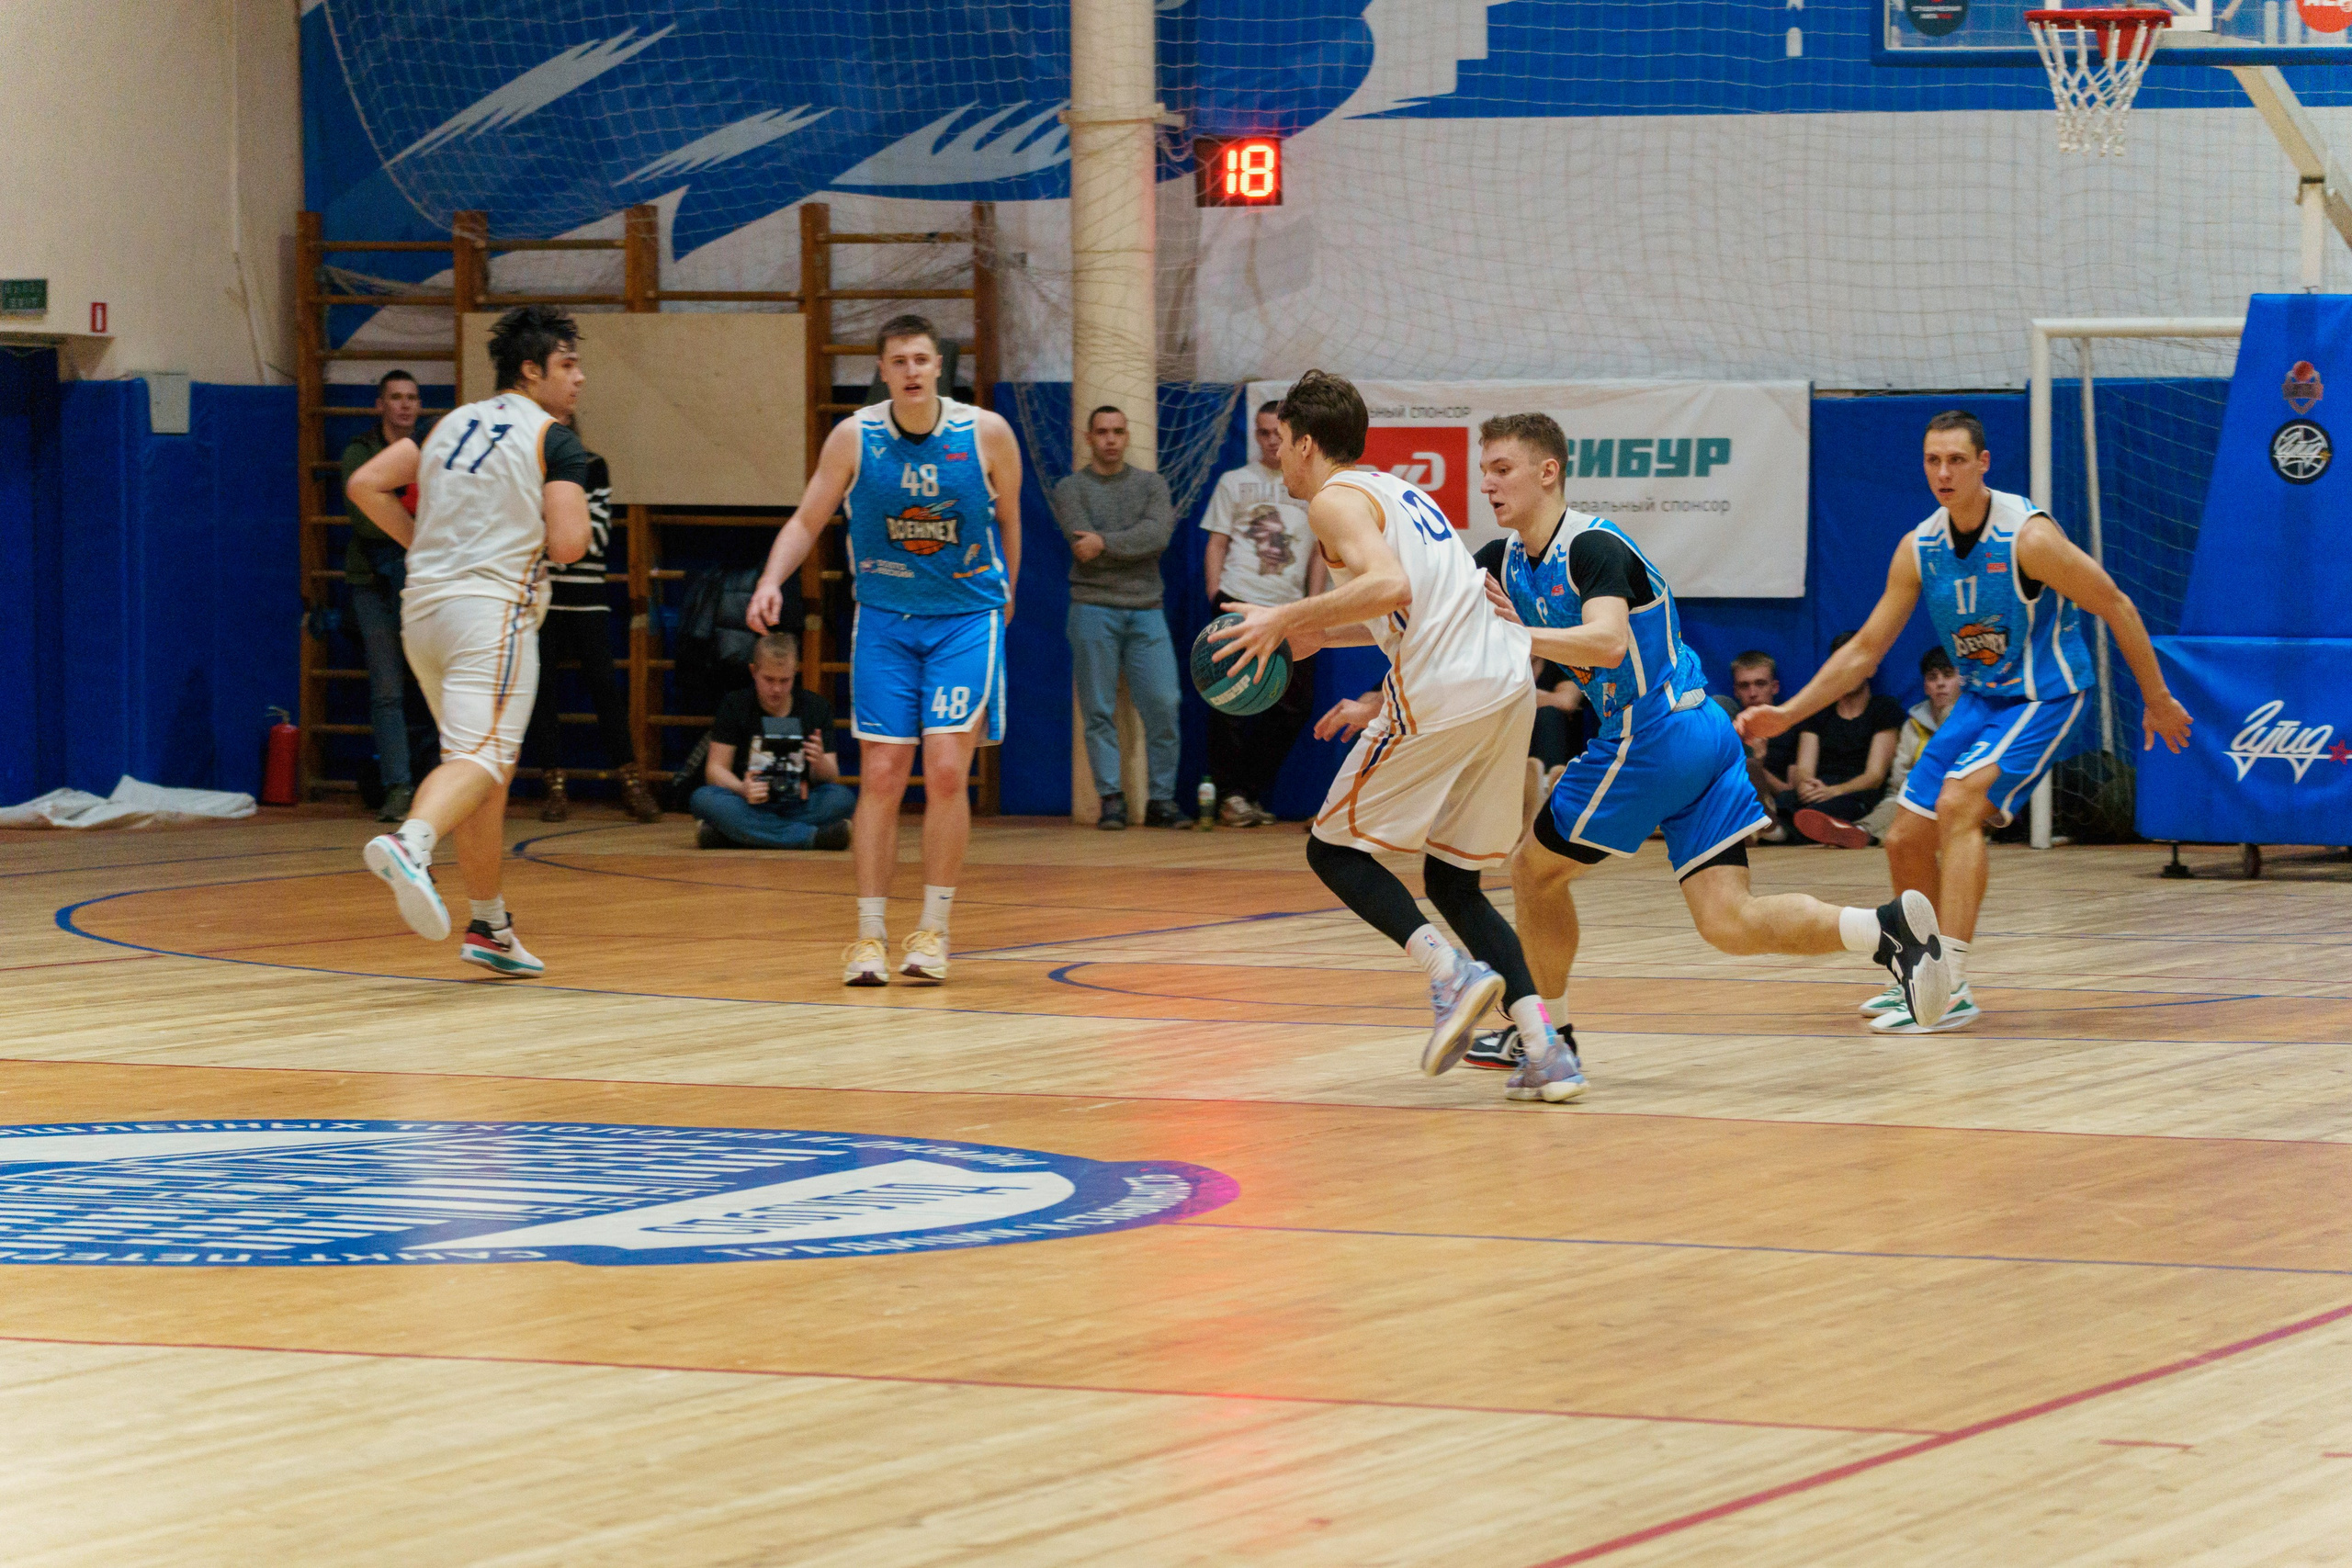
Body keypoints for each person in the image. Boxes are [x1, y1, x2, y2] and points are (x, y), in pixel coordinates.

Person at [1470, 412, 1953, 1070]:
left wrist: (1516, 638)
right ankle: (1885, 930)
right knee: (1729, 921)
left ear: (1547, 471)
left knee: (1533, 870)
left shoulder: (1591, 548)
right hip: (1703, 734)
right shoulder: (1501, 561)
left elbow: (1608, 641)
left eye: (1502, 470)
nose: (1488, 485)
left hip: (1653, 734)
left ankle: (1540, 1035)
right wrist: (1314, 630)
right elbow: (1429, 616)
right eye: (1483, 472)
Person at [1738, 409, 2192, 1033]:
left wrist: (2158, 697)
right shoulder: (1919, 547)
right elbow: (1866, 648)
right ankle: (1918, 976)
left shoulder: (2027, 539)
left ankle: (1950, 983)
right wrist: (1788, 712)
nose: (1944, 472)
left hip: (2045, 695)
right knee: (1902, 838)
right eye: (1933, 460)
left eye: (1956, 459)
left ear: (1983, 463)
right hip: (1982, 697)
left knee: (1960, 804)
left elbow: (2116, 602)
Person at [1209, 371, 1587, 1103]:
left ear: (1307, 443)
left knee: (1330, 848)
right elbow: (1409, 603)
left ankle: (1451, 974)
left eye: (1281, 441)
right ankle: (1547, 1051)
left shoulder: (1331, 500)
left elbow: (1390, 587)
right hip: (1505, 685)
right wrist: (1321, 635)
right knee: (1452, 879)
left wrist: (1284, 617)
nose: (1278, 456)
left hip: (1445, 689)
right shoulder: (1395, 490)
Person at [745, 314, 1022, 987]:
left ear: (939, 366)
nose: (912, 370)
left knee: (950, 770)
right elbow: (809, 517)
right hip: (886, 623)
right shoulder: (855, 437)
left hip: (964, 619)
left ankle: (934, 930)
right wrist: (770, 578)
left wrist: (1007, 598)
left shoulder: (985, 433)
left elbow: (1011, 519)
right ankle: (869, 936)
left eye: (922, 358)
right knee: (882, 775)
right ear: (882, 370)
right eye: (898, 360)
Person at [345, 306, 594, 977]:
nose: (579, 378)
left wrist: (421, 541)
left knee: (483, 772)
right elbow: (570, 544)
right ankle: (412, 843)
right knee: (485, 761)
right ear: (531, 369)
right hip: (491, 614)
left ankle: (488, 923)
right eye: (568, 364)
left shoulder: (447, 424)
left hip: (421, 613)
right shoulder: (554, 438)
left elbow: (364, 483)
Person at [1053, 406, 1182, 829]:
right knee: (1098, 708)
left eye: (1118, 432)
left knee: (1164, 703)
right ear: (1088, 438)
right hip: (1092, 606)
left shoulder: (1151, 485)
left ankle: (1162, 801)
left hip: (1148, 607)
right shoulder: (1070, 488)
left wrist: (1105, 541)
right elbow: (1081, 548)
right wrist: (1128, 544)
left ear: (1128, 437)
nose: (1110, 439)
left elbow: (1158, 536)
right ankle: (1111, 799)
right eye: (1102, 432)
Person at [1200, 400, 1327, 825]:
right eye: (1262, 433)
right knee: (1228, 704)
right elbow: (1216, 542)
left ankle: (1251, 792)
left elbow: (1318, 555)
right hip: (1239, 600)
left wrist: (1312, 606)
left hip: (1290, 611)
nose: (1271, 441)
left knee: (1293, 706)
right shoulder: (1235, 482)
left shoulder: (1310, 489)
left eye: (1278, 433)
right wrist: (1216, 593)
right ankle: (1230, 798)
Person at [524, 443, 661, 824]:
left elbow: (596, 538)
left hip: (587, 599)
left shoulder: (592, 465)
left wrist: (549, 526)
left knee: (606, 690)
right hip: (542, 599)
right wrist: (565, 526)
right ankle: (553, 787)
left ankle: (631, 782)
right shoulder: (526, 462)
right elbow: (520, 534)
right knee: (542, 693)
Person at [340, 370, 428, 823]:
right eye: (395, 397)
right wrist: (418, 530)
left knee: (439, 688)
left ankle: (440, 785)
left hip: (426, 584)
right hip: (373, 586)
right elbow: (367, 522)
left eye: (412, 398)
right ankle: (398, 788)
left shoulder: (432, 453)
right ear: (380, 404)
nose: (405, 405)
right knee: (388, 689)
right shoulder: (360, 452)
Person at [691, 632, 854, 850]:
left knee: (843, 799)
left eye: (784, 680)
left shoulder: (816, 707)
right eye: (769, 679)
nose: (776, 689)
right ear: (753, 671)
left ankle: (733, 836)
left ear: (795, 673)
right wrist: (742, 788)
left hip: (800, 803)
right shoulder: (734, 705)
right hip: (749, 803)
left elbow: (831, 775)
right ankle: (811, 838)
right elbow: (715, 769)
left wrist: (819, 762)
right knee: (702, 799)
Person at [1830, 646, 1962, 848]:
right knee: (1895, 805)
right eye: (1932, 677)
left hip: (1958, 801)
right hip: (1918, 799)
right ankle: (1862, 832)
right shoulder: (1913, 724)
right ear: (1926, 686)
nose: (1940, 684)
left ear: (1962, 680)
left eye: (1947, 675)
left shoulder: (1975, 719)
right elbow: (1899, 781)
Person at [1785, 631, 1904, 845]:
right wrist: (1805, 785)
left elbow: (1875, 775)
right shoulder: (1819, 711)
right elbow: (1804, 766)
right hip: (1820, 789)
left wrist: (1834, 791)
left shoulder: (1884, 709)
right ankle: (1779, 829)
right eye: (1842, 665)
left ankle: (1782, 832)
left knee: (1825, 810)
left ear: (1870, 668)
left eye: (1855, 664)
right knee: (1784, 801)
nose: (1848, 672)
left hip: (1855, 793)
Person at [1717, 651, 1801, 841]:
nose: (1752, 693)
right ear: (1736, 690)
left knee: (1793, 803)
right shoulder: (1730, 722)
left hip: (1777, 810)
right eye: (1744, 686)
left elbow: (1790, 789)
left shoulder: (1791, 728)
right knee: (1718, 704)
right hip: (1728, 793)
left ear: (1774, 687)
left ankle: (1760, 818)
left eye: (1760, 684)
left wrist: (1759, 766)